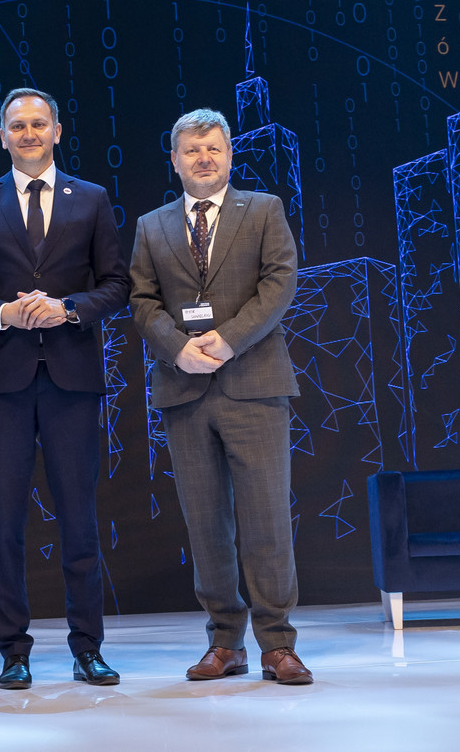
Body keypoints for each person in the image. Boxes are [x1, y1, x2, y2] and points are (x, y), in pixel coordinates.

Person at [0, 87, 130, 689]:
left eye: (38, 124)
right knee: (4, 522)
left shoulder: (91, 198)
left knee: (79, 518)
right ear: (2, 136)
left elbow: (117, 285)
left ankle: (87, 648)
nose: (28, 134)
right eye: (17, 125)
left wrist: (68, 308)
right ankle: (13, 651)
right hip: (4, 380)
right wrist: (4, 313)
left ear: (57, 131)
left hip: (72, 379)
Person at [127, 107, 313, 685]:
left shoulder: (263, 209)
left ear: (230, 155)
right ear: (175, 160)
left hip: (254, 383)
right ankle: (225, 643)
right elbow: (141, 300)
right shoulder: (151, 226)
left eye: (213, 148)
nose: (203, 158)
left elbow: (280, 282)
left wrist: (229, 339)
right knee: (206, 525)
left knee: (266, 520)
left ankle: (277, 645)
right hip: (184, 388)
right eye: (192, 150)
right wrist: (175, 348)